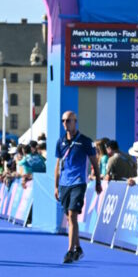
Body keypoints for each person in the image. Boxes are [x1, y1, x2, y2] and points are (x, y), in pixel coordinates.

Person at [55, 111, 101, 264]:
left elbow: (95, 163)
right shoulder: (60, 142)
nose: (65, 123)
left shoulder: (85, 141)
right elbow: (57, 165)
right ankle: (78, 248)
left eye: (68, 120)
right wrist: (56, 186)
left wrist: (99, 182)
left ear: (75, 121)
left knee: (73, 214)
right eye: (63, 121)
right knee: (69, 217)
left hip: (79, 182)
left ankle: (69, 251)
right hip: (64, 184)